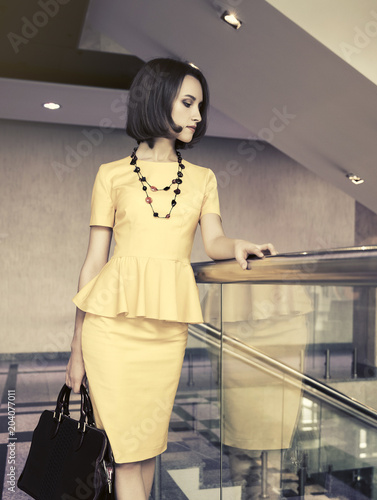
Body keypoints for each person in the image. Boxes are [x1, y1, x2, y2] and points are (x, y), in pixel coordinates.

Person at [65, 57, 277, 500]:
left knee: (144, 449)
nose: (197, 116)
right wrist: (76, 351)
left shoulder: (203, 179)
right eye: (187, 102)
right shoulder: (111, 175)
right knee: (124, 452)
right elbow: (92, 265)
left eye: (200, 105)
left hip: (166, 335)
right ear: (157, 99)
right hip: (110, 329)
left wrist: (238, 245)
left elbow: (214, 241)